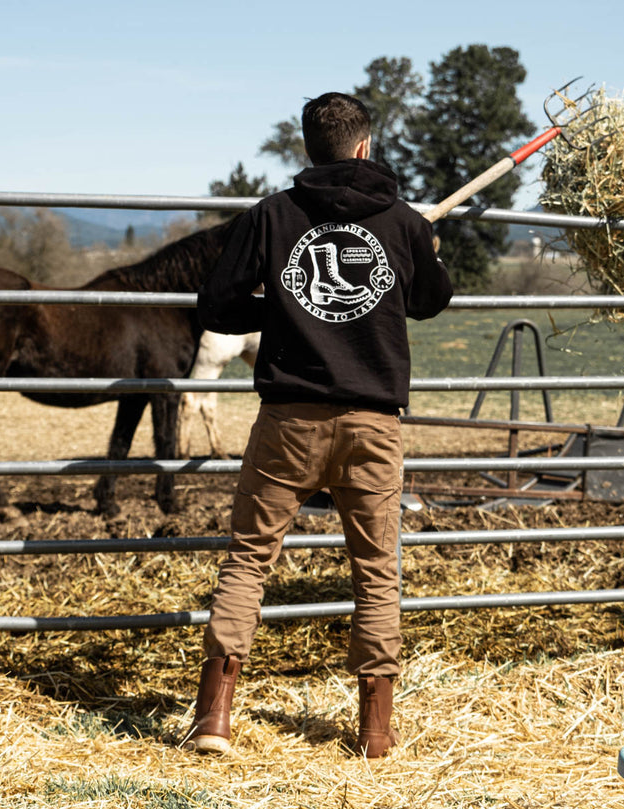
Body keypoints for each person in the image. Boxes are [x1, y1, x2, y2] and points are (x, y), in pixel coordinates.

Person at [182, 91, 452, 759]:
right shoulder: (400, 220)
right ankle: (375, 730)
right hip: (372, 422)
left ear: (310, 149)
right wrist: (429, 250)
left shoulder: (272, 215)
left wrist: (280, 309)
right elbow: (430, 301)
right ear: (365, 146)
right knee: (376, 571)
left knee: (248, 560)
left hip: (288, 419)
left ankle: (215, 717)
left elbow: (214, 302)